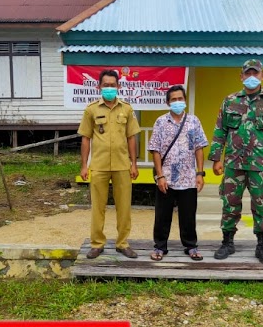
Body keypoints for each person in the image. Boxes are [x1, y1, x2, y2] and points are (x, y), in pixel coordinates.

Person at [208, 59, 263, 264]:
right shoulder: (230, 100)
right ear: (241, 76)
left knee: (261, 205)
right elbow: (220, 130)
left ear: (262, 76)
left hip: (259, 165)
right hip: (233, 164)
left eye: (256, 73)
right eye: (247, 73)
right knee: (229, 204)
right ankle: (227, 242)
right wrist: (216, 158)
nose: (252, 77)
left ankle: (262, 246)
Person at [78, 69, 141, 259]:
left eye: (113, 85)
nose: (109, 88)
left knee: (124, 207)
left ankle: (123, 243)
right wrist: (84, 166)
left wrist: (134, 164)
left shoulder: (127, 109)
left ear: (118, 86)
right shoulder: (91, 109)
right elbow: (86, 139)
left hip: (122, 165)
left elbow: (131, 137)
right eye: (105, 85)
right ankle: (97, 244)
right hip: (99, 165)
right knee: (98, 206)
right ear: (99, 86)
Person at [147, 85, 208, 261]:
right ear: (168, 102)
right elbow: (155, 150)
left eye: (180, 98)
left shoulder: (194, 121)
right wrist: (160, 176)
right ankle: (160, 247)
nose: (177, 102)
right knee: (162, 215)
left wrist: (200, 173)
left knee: (188, 215)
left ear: (185, 100)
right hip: (166, 178)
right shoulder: (160, 122)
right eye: (173, 99)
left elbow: (199, 148)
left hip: (188, 178)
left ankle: (191, 246)